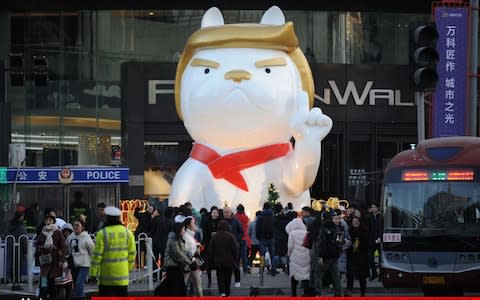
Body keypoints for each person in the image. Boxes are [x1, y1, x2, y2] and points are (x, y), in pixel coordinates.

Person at [89, 206, 136, 296]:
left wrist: (93, 273)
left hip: (106, 278)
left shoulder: (102, 233)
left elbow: (97, 256)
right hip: (122, 277)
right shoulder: (127, 233)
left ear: (107, 217)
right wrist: (129, 268)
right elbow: (132, 254)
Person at [159, 217, 193, 296]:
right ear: (179, 230)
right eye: (183, 229)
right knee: (176, 287)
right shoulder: (173, 240)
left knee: (175, 286)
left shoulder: (179, 239)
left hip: (177, 266)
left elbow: (184, 251)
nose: (184, 231)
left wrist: (192, 257)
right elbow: (178, 253)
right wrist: (190, 262)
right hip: (172, 266)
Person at [314, 211, 345, 296]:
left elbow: (321, 243)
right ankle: (339, 293)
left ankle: (318, 293)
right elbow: (340, 244)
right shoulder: (338, 229)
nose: (337, 220)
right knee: (336, 276)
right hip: (334, 256)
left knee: (318, 275)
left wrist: (320, 256)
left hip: (325, 256)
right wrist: (338, 253)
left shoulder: (324, 228)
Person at [36, 215, 67, 299]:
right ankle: (43, 294)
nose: (48, 222)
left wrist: (61, 259)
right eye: (47, 220)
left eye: (50, 220)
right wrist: (42, 248)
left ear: (53, 221)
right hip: (45, 259)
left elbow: (63, 247)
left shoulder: (57, 232)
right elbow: (38, 244)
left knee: (51, 279)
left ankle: (52, 294)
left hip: (54, 259)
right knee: (43, 277)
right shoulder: (43, 232)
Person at [209, 220, 239, 297]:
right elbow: (235, 249)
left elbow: (211, 250)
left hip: (218, 261)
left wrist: (211, 261)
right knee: (228, 278)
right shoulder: (231, 236)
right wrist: (236, 260)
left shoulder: (215, 236)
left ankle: (222, 292)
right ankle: (227, 292)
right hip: (229, 261)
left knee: (220, 277)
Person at [66, 219, 94, 298]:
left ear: (82, 227)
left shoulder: (86, 237)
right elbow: (67, 248)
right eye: (74, 225)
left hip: (84, 264)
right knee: (75, 285)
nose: (75, 227)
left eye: (77, 225)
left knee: (79, 283)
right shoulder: (70, 237)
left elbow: (92, 250)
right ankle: (82, 297)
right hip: (74, 264)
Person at [286, 217, 311, 297]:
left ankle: (294, 294)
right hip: (306, 256)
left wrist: (289, 254)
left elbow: (290, 246)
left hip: (295, 256)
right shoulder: (306, 232)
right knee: (306, 275)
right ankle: (306, 293)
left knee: (294, 275)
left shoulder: (292, 234)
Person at [345, 217, 369, 296]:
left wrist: (359, 245)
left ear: (359, 222)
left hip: (362, 257)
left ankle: (362, 293)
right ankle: (349, 292)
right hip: (351, 256)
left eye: (357, 221)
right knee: (350, 276)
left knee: (362, 277)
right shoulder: (349, 231)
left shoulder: (364, 231)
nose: (355, 222)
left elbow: (367, 244)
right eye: (354, 221)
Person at [222, 206, 244, 287]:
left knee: (235, 263)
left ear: (231, 212)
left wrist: (235, 240)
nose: (226, 214)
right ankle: (226, 281)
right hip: (224, 246)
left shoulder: (236, 221)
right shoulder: (222, 222)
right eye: (224, 212)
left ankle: (237, 280)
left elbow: (241, 232)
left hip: (234, 246)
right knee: (224, 264)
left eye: (227, 212)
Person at [201, 206, 221, 288]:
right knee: (208, 263)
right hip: (209, 244)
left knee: (218, 264)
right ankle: (209, 281)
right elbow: (205, 232)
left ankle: (219, 280)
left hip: (218, 245)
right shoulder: (207, 221)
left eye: (216, 213)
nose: (215, 215)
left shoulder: (221, 221)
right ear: (211, 213)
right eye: (214, 213)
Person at [183, 216, 203, 296]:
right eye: (193, 223)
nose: (195, 225)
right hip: (188, 264)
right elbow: (186, 250)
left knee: (198, 284)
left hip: (192, 264)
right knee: (186, 285)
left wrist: (197, 245)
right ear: (188, 225)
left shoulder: (191, 235)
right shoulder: (186, 236)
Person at [7, 211, 27, 290]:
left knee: (13, 266)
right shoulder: (20, 227)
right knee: (18, 267)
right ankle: (16, 284)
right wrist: (26, 251)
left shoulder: (11, 225)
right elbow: (23, 239)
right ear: (21, 217)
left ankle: (14, 282)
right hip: (19, 250)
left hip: (11, 249)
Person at [234, 204, 251, 274]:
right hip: (244, 238)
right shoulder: (246, 217)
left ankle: (236, 269)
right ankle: (245, 270)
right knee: (244, 256)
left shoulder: (235, 217)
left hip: (236, 238)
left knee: (236, 255)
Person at [368, 203, 383, 281]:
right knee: (370, 257)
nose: (373, 208)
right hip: (371, 240)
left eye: (374, 207)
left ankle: (381, 275)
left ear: (378, 208)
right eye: (372, 207)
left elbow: (382, 228)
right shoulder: (369, 216)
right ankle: (374, 273)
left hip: (380, 240)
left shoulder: (381, 216)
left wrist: (380, 237)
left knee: (381, 259)